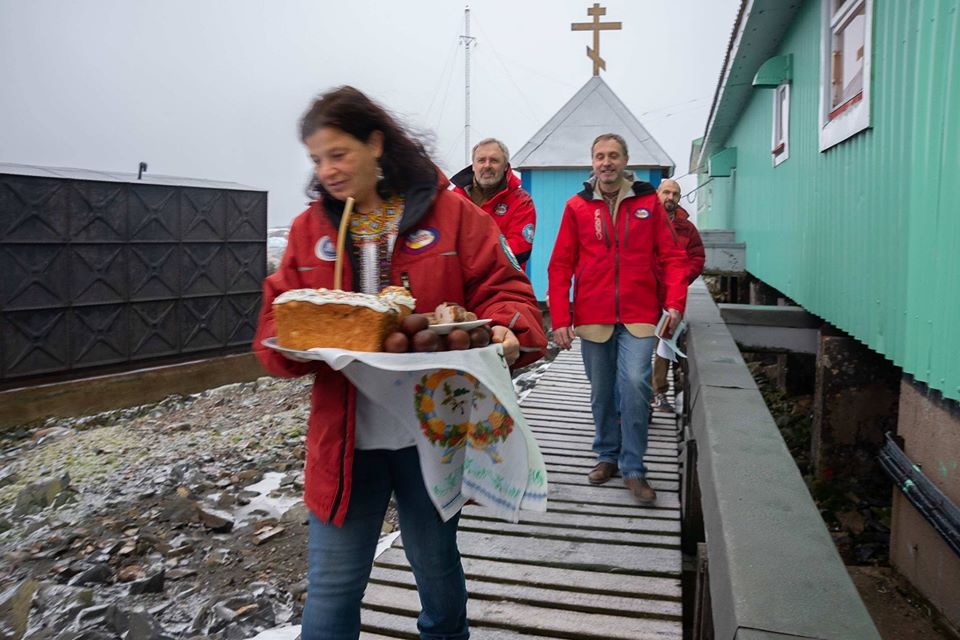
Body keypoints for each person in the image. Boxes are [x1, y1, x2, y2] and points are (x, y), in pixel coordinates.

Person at [253, 86, 547, 640]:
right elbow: (274, 322)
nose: (328, 170)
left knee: (436, 572)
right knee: (332, 592)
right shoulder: (309, 230)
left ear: (376, 143)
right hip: (344, 443)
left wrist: (510, 327)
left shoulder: (452, 214)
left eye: (339, 154)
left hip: (429, 436)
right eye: (317, 159)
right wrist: (291, 342)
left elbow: (509, 289)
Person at [547, 133, 688, 505]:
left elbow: (674, 257)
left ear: (626, 160)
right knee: (601, 391)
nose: (606, 162)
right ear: (591, 163)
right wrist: (561, 317)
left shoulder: (647, 204)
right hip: (593, 315)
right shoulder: (576, 206)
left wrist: (675, 303)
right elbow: (560, 265)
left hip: (640, 313)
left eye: (613, 156)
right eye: (599, 156)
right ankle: (607, 454)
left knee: (635, 382)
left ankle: (634, 467)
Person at [650, 179, 705, 414]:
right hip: (645, 296)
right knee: (639, 347)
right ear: (657, 194)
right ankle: (640, 396)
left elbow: (697, 258)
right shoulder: (644, 222)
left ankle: (659, 393)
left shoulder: (687, 229)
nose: (670, 197)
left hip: (672, 300)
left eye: (675, 194)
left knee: (664, 346)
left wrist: (682, 277)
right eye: (666, 192)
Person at [451, 138, 537, 272]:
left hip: (502, 286)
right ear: (473, 166)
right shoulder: (454, 198)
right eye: (481, 160)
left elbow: (519, 251)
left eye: (494, 160)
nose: (487, 166)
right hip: (459, 286)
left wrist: (469, 259)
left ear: (505, 167)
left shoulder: (521, 202)